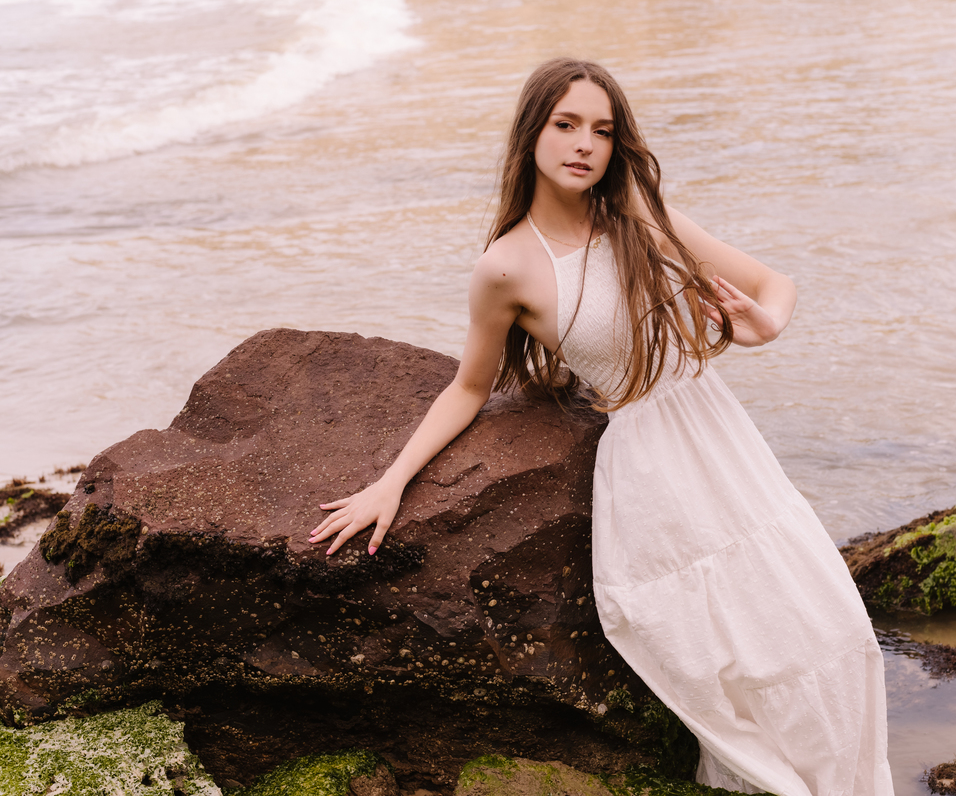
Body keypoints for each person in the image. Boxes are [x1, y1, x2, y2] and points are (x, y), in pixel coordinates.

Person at [310, 57, 894, 796]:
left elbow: (775, 285)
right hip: (649, 464)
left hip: (723, 439)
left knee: (833, 629)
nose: (585, 144)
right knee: (735, 658)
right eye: (566, 125)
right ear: (532, 136)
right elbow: (469, 386)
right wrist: (390, 483)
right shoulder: (507, 268)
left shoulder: (641, 218)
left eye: (603, 130)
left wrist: (763, 326)